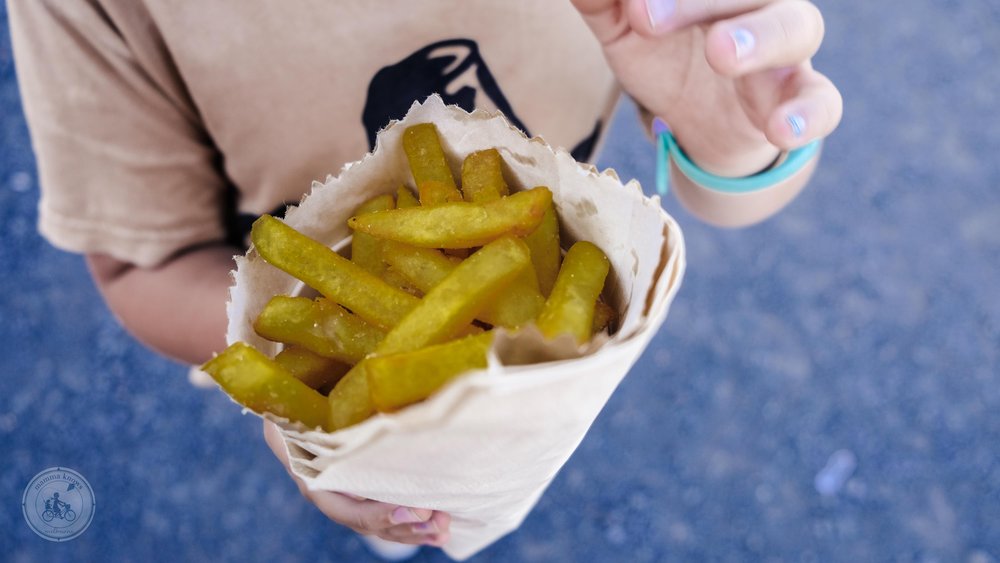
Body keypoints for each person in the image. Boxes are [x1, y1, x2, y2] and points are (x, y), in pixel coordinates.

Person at [9, 0, 842, 557]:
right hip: (352, 393)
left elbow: (721, 189)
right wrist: (306, 399)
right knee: (409, 521)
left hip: (564, 333)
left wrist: (735, 139)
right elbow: (139, 264)